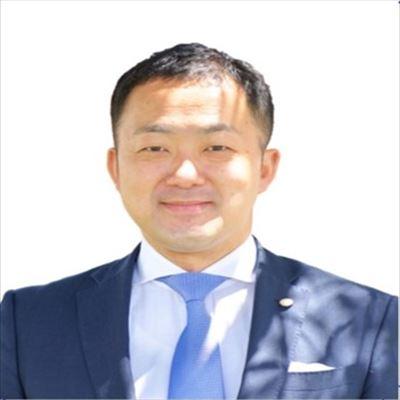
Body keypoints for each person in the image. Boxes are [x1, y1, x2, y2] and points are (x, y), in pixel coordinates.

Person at [0, 43, 397, 400]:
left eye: (217, 147)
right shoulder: (27, 322)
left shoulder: (371, 319)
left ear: (265, 168)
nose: (186, 175)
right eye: (155, 148)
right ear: (115, 167)